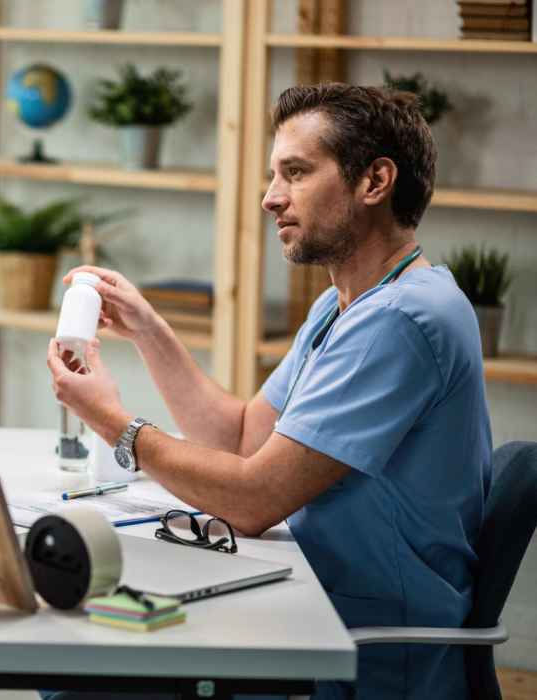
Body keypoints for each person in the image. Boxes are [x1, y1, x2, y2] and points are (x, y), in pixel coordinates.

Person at [45, 84, 490, 699]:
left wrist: (117, 427)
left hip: (354, 652)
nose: (269, 198)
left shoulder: (402, 320)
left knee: (75, 679)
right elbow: (243, 436)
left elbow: (252, 501)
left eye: (296, 173)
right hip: (305, 604)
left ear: (375, 181)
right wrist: (148, 330)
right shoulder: (348, 304)